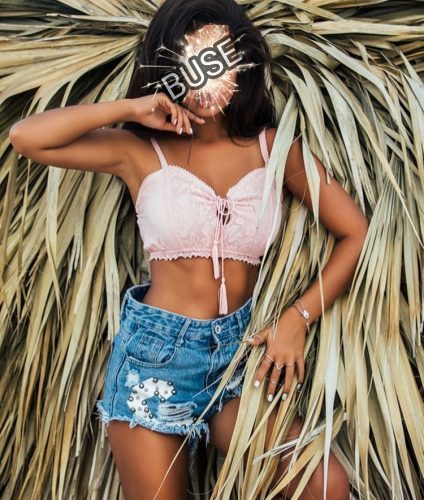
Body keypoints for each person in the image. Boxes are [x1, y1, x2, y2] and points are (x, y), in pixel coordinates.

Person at [9, 1, 369, 498]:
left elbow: (356, 233)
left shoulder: (274, 148)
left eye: (218, 59)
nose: (205, 77)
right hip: (155, 360)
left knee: (323, 484)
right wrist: (133, 108)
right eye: (188, 61)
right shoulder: (138, 151)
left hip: (238, 357)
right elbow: (27, 138)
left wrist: (297, 318)